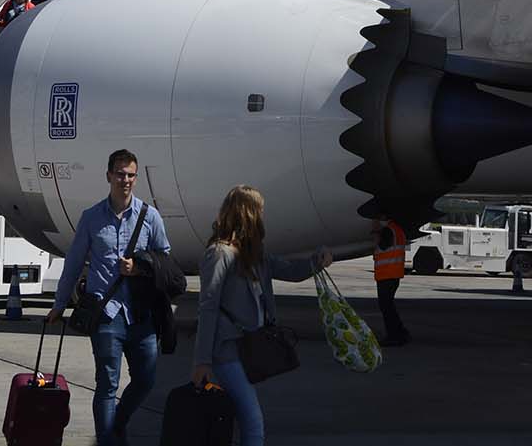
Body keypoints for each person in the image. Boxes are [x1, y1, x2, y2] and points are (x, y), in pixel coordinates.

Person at [47, 149, 170, 446]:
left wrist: (139, 268)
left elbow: (164, 261)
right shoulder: (91, 218)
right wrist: (59, 304)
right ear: (108, 176)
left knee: (146, 380)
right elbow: (74, 263)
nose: (125, 180)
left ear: (135, 179)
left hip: (140, 313)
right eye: (120, 174)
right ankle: (107, 440)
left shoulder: (150, 216)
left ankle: (117, 425)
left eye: (130, 175)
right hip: (105, 313)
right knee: (107, 384)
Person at [192, 185, 332, 446]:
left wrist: (317, 260)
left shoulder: (255, 255)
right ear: (247, 213)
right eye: (260, 210)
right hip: (226, 350)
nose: (263, 216)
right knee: (253, 420)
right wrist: (202, 362)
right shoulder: (219, 254)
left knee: (243, 418)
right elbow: (208, 308)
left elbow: (290, 271)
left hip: (248, 348)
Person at [372, 216, 410, 346]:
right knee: (389, 306)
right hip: (394, 274)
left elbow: (382, 246)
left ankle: (393, 336)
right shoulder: (398, 230)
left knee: (386, 307)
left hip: (386, 275)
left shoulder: (388, 230)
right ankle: (401, 333)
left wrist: (376, 232)